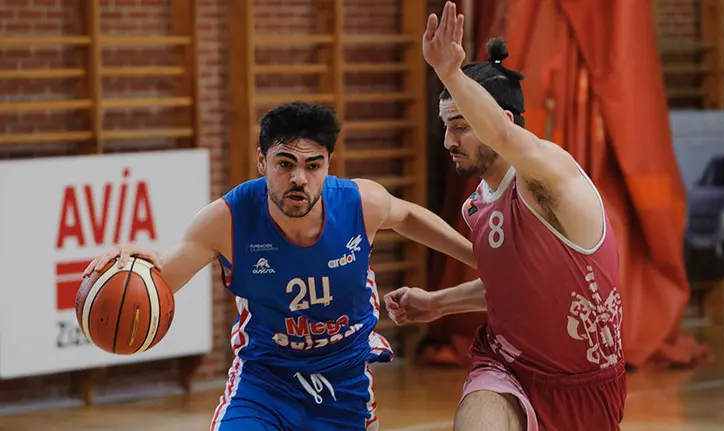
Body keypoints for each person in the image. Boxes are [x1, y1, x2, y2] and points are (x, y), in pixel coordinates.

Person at [82, 101, 476, 431]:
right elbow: (162, 280)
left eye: (313, 165)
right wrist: (134, 267)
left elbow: (407, 216)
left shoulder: (359, 202)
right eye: (284, 163)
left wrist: (479, 258)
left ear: (328, 165)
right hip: (265, 383)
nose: (298, 178)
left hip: (343, 383)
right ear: (261, 161)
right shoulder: (227, 219)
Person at [384, 2, 626, 431]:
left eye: (460, 125)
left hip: (586, 387)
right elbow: (511, 287)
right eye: (445, 127)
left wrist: (450, 73)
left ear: (503, 118)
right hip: (504, 368)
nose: (448, 141)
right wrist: (438, 304)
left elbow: (502, 135)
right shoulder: (476, 205)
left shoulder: (548, 173)